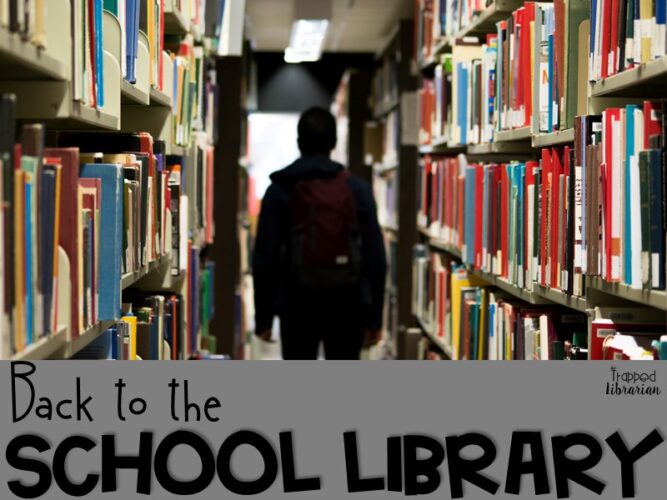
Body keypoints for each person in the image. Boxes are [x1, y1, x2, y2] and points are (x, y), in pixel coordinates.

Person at [252, 107, 387, 360]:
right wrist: (374, 318)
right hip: (348, 303)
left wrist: (264, 318)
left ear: (298, 142)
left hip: (296, 303)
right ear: (334, 142)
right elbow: (376, 259)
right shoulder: (356, 189)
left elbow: (264, 258)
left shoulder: (279, 189)